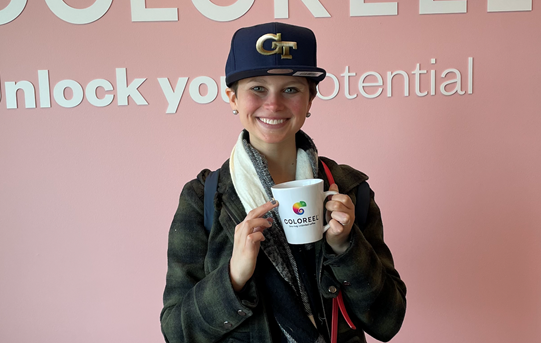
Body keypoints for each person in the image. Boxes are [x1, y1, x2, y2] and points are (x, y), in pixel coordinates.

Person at [161, 23, 406, 343]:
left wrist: (345, 247)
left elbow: (388, 321)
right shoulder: (204, 199)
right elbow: (176, 333)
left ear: (310, 99)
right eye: (257, 88)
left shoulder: (348, 190)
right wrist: (234, 276)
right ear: (232, 97)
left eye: (290, 89)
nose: (273, 105)